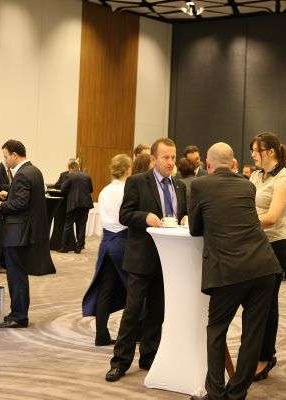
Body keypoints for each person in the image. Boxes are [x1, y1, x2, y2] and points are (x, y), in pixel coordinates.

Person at [188, 142, 282, 400]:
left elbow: (195, 229)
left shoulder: (200, 185)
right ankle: (237, 393)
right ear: (232, 164)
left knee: (216, 330)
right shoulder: (247, 185)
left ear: (208, 165)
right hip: (264, 266)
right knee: (253, 334)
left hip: (229, 271)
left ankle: (215, 394)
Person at [105, 138, 187, 382]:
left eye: (173, 157)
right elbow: (125, 215)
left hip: (168, 260)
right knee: (132, 312)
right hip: (142, 258)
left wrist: (185, 218)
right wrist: (145, 217)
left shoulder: (180, 185)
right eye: (165, 157)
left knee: (157, 312)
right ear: (153, 159)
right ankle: (120, 362)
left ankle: (149, 357)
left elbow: (182, 213)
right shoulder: (137, 182)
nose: (170, 162)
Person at [248, 132, 286, 381]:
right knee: (254, 303)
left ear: (271, 152)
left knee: (267, 303)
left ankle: (265, 357)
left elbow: (272, 217)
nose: (253, 155)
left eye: (257, 150)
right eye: (253, 150)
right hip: (255, 244)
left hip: (276, 245)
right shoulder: (256, 175)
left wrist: (241, 222)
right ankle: (254, 353)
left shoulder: (284, 178)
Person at [0, 140, 50, 328]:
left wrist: (2, 205)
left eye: (6, 156)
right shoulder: (34, 171)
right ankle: (18, 313)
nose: (5, 161)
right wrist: (9, 194)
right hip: (26, 231)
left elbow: (21, 203)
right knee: (19, 275)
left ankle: (18, 316)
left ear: (14, 155)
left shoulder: (22, 174)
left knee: (16, 276)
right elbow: (26, 198)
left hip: (18, 233)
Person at [82, 154, 132, 346]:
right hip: (123, 242)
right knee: (133, 290)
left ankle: (101, 335)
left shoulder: (105, 191)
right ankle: (132, 334)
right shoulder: (127, 190)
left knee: (105, 289)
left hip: (107, 243)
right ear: (127, 169)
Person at [59, 159, 94, 254]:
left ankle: (64, 247)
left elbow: (62, 189)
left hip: (73, 204)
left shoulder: (70, 176)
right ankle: (79, 247)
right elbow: (91, 190)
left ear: (70, 168)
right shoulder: (87, 176)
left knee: (68, 225)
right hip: (85, 204)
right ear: (78, 167)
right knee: (82, 225)